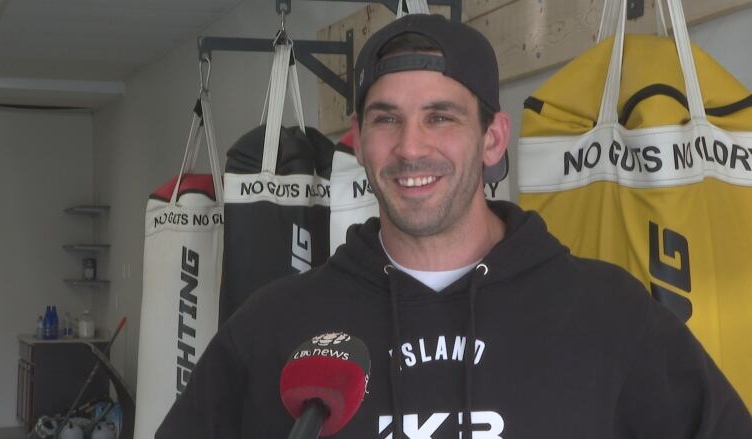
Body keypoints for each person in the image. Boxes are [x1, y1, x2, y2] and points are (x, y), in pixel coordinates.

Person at [156, 14, 752, 438]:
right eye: (386, 120)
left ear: (492, 139)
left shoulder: (608, 313)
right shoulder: (274, 325)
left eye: (440, 117)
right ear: (359, 142)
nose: (410, 148)